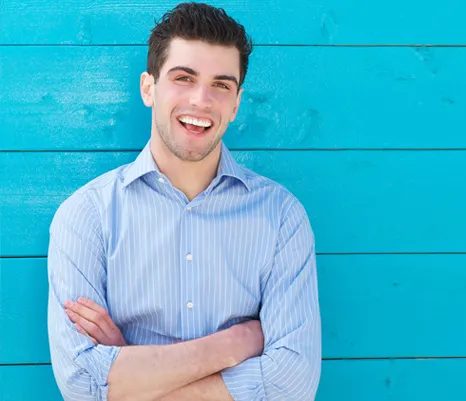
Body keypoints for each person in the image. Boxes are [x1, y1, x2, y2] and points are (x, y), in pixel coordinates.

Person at [46, 2, 322, 400]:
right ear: (148, 88)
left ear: (236, 103)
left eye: (221, 85)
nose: (201, 100)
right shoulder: (86, 217)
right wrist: (234, 344)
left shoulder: (281, 217)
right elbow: (82, 384)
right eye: (183, 78)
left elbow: (292, 384)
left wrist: (131, 371)